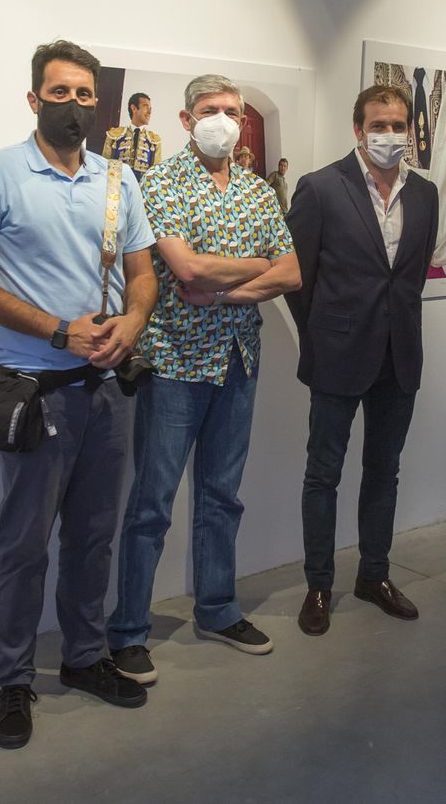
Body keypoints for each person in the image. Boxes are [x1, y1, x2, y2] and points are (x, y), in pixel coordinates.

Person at [0, 40, 159, 749]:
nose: (73, 104)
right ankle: (13, 678)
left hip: (107, 391)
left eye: (84, 93)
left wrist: (131, 323)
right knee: (25, 543)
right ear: (35, 99)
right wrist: (59, 331)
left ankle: (84, 656)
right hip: (33, 391)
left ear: (97, 102)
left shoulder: (116, 180)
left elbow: (143, 275)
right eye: (59, 92)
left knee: (95, 535)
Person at [107, 75, 300, 683]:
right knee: (152, 503)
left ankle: (217, 609)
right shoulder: (161, 183)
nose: (223, 119)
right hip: (174, 363)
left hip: (238, 360)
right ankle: (128, 630)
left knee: (222, 496)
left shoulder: (256, 189)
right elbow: (185, 268)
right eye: (210, 110)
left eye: (232, 111)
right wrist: (255, 267)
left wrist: (221, 292)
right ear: (187, 120)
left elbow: (291, 272)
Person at [286, 86, 438, 635]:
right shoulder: (321, 187)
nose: (389, 135)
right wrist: (325, 331)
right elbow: (298, 278)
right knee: (323, 473)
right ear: (358, 129)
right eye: (379, 125)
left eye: (398, 125)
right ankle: (319, 586)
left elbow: (411, 276)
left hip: (400, 355)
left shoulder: (425, 193)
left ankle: (374, 575)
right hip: (337, 355)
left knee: (384, 472)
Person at [104, 92, 162, 178]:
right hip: (116, 185)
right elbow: (104, 165)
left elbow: (155, 173)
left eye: (150, 108)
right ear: (134, 108)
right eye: (146, 106)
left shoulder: (154, 140)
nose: (150, 112)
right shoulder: (114, 135)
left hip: (141, 186)